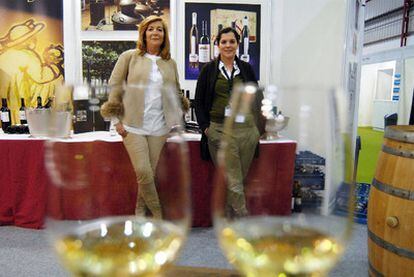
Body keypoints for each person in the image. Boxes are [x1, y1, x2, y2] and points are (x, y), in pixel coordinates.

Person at [101, 16, 189, 219]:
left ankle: (140, 213)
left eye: (159, 29)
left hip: (159, 128)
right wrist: (116, 121)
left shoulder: (170, 63)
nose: (155, 32)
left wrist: (176, 117)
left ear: (164, 35)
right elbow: (115, 86)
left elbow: (175, 92)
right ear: (144, 33)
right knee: (143, 171)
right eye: (151, 29)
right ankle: (158, 214)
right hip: (133, 126)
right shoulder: (129, 57)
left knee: (148, 174)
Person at [194, 27, 265, 216]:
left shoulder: (246, 68)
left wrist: (259, 129)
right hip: (219, 130)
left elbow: (257, 98)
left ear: (237, 44)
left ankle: (226, 215)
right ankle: (243, 217)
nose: (228, 45)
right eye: (223, 42)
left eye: (232, 41)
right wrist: (205, 128)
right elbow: (199, 101)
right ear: (217, 45)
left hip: (247, 130)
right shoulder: (208, 70)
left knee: (237, 176)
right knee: (234, 177)